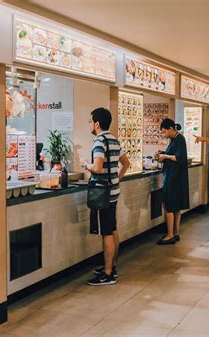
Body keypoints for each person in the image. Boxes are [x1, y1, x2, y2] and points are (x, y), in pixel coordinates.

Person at [81, 107, 130, 286]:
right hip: (113, 191)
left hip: (102, 193)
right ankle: (112, 266)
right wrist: (116, 179)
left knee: (107, 233)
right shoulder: (114, 140)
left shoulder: (99, 141)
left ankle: (108, 273)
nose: (90, 124)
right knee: (113, 228)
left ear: (97, 123)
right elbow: (126, 163)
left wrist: (86, 165)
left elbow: (97, 167)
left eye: (90, 121)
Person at [155, 118, 190, 245]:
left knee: (169, 205)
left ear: (171, 128)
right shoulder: (175, 139)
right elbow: (173, 154)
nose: (164, 134)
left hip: (174, 177)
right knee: (176, 206)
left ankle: (170, 235)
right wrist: (164, 154)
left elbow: (180, 157)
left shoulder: (180, 139)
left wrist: (165, 156)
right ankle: (175, 232)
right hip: (175, 176)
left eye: (164, 132)